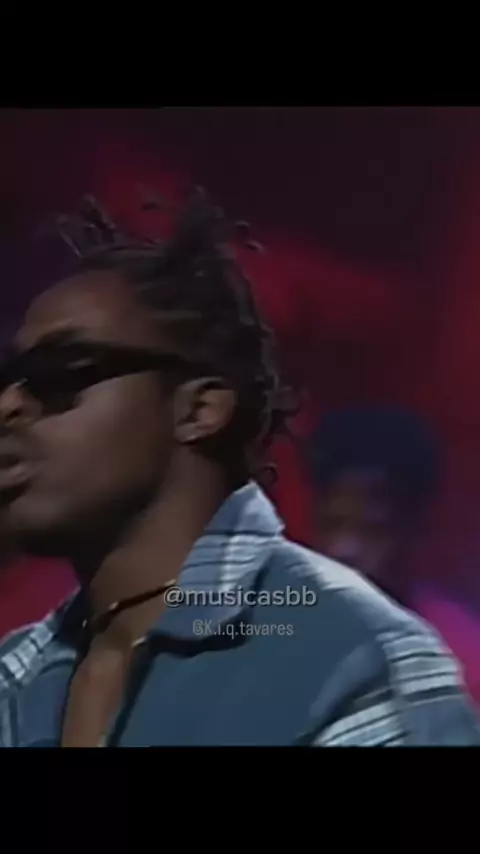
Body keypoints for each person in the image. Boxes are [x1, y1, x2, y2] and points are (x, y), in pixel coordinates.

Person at [0, 189, 478, 747]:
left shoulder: (350, 663)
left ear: (199, 410)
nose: (8, 404)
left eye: (61, 371)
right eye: (8, 379)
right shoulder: (16, 676)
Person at [306, 407, 441, 605]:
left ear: (415, 533)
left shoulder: (445, 625)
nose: (342, 549)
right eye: (330, 525)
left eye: (372, 531)